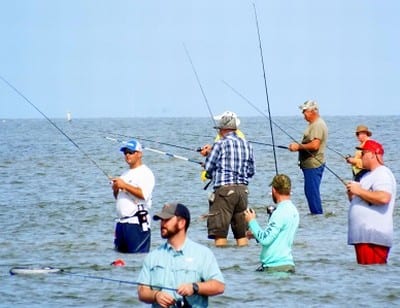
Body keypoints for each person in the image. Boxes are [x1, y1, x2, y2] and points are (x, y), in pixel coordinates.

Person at [137, 203, 225, 307]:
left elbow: (219, 286)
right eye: (161, 220)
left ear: (182, 223)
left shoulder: (203, 254)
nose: (162, 224)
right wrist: (156, 295)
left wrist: (194, 287)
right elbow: (142, 292)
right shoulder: (152, 257)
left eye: (167, 220)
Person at [203, 113, 255, 247]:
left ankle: (223, 264)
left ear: (223, 129)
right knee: (241, 233)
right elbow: (251, 171)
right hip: (243, 192)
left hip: (224, 191)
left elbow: (208, 168)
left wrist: (210, 165)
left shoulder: (219, 144)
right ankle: (243, 262)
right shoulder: (247, 144)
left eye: (219, 129)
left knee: (220, 233)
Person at [346, 140, 397, 265]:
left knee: (373, 272)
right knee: (364, 275)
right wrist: (352, 193)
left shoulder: (382, 173)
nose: (360, 157)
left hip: (373, 238)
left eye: (362, 153)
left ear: (372, 155)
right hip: (365, 237)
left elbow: (384, 197)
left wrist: (359, 191)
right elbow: (362, 199)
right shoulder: (367, 175)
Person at [244, 174, 299, 273]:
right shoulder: (293, 210)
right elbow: (279, 235)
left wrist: (252, 221)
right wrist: (255, 235)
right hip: (287, 264)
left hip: (275, 267)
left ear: (274, 190)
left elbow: (265, 239)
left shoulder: (279, 213)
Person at [111, 139, 155, 253]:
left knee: (137, 258)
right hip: (121, 224)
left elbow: (143, 195)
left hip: (136, 224)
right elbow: (118, 198)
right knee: (119, 261)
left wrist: (124, 185)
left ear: (139, 154)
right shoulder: (125, 174)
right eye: (125, 153)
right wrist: (116, 188)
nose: (127, 155)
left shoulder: (146, 173)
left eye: (130, 152)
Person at [288, 100, 328, 214]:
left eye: (305, 111)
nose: (303, 114)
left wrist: (297, 147)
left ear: (313, 111)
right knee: (310, 191)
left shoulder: (318, 125)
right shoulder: (314, 124)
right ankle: (316, 216)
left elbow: (315, 145)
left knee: (312, 192)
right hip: (310, 165)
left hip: (313, 165)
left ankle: (317, 215)